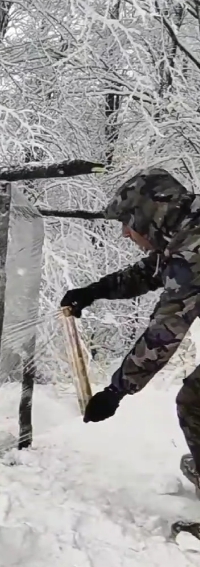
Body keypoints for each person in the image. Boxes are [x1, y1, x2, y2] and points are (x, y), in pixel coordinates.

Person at [60, 168, 200, 493]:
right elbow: (156, 270)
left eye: (127, 222)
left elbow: (164, 332)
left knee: (195, 403)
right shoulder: (188, 229)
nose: (124, 234)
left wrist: (116, 391)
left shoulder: (192, 248)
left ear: (146, 216)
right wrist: (95, 290)